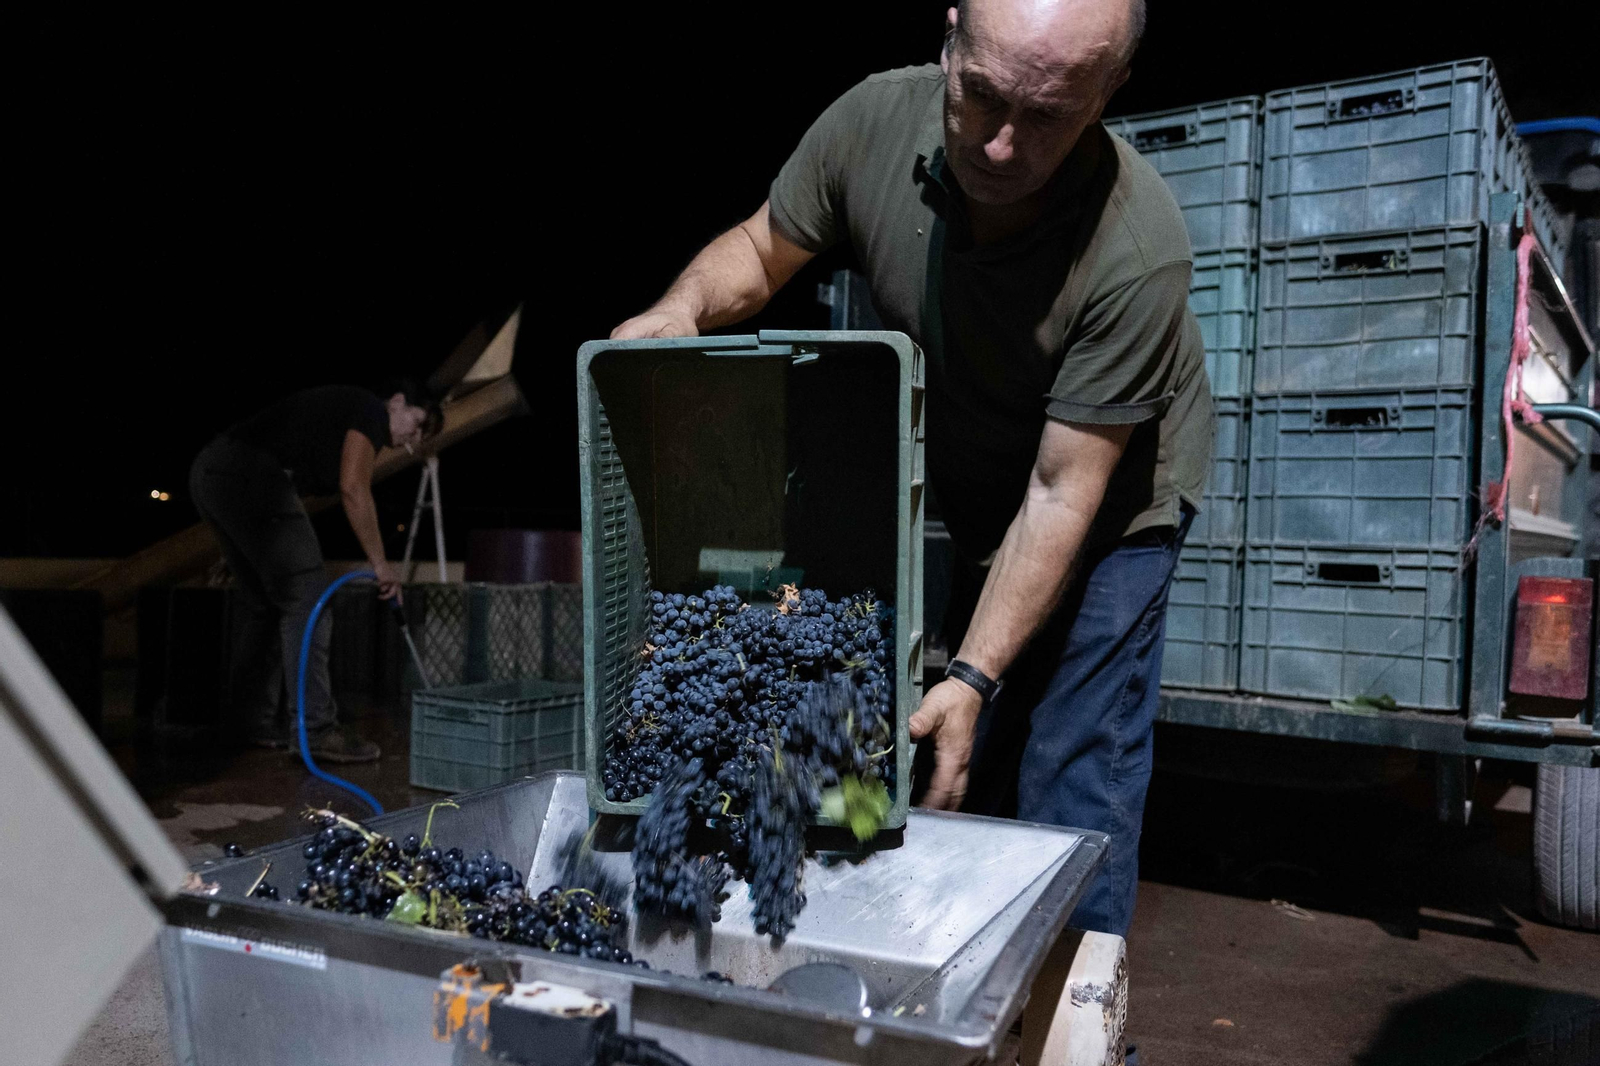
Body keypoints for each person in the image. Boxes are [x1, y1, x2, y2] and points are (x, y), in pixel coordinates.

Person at [613, 0, 1212, 939]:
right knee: (874, 709)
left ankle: (1073, 1018)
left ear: (1109, 92)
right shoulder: (871, 123)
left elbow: (1061, 497)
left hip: (1104, 506)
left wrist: (971, 679)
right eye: (980, 98)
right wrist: (683, 308)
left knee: (1068, 754)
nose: (1003, 146)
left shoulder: (1138, 251)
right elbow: (764, 247)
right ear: (950, 39)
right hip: (982, 473)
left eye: (1048, 115)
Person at [189, 382, 442, 763]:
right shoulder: (370, 411)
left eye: (423, 435)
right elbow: (354, 488)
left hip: (212, 472)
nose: (414, 436)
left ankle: (247, 723)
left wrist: (248, 542)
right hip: (247, 473)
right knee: (309, 598)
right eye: (418, 422)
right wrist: (381, 565)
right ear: (396, 401)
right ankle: (317, 730)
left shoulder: (336, 425)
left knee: (266, 604)